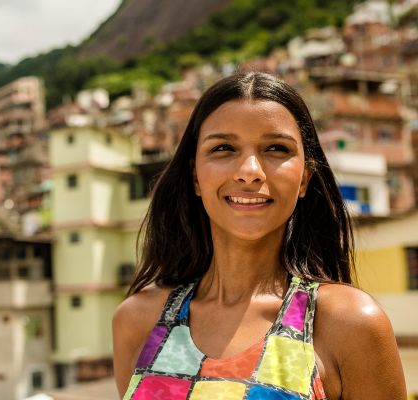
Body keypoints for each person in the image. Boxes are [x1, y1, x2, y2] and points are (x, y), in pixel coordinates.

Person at [113, 72, 406, 400]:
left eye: (276, 149)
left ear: (305, 178)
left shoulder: (349, 325)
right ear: (195, 175)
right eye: (224, 148)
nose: (250, 171)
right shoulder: (137, 321)